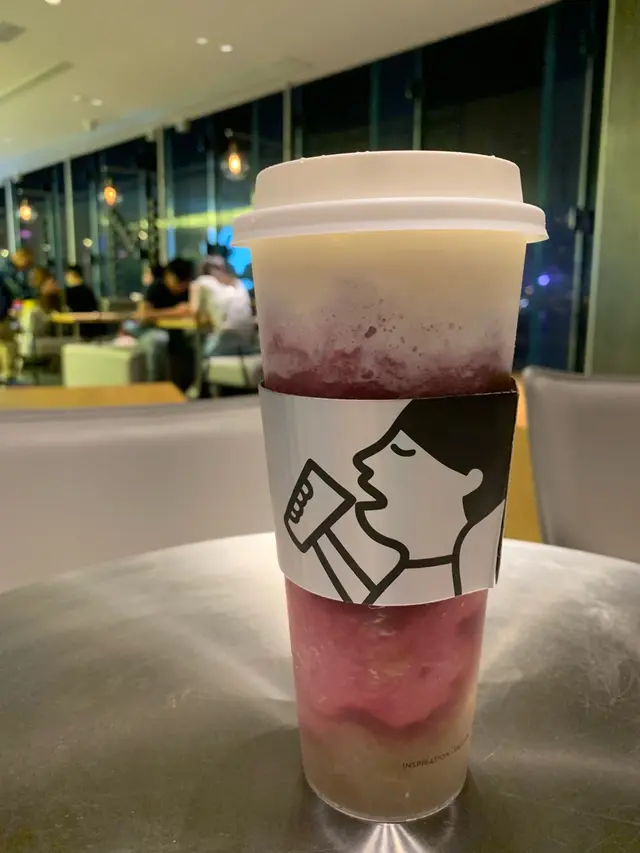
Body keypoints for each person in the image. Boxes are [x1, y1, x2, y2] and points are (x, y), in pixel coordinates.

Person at [283, 392, 516, 605]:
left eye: (402, 450)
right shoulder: (423, 571)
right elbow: (366, 597)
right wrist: (322, 533)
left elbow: (368, 600)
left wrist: (321, 532)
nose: (365, 460)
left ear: (470, 480)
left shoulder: (435, 574)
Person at [134, 257, 195, 386]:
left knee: (193, 340)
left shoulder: (190, 290)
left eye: (184, 283)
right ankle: (157, 385)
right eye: (178, 282)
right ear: (168, 275)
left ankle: (190, 385)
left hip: (178, 330)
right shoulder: (156, 287)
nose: (181, 287)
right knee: (159, 340)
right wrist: (175, 312)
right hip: (151, 330)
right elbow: (143, 315)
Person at [195, 257, 256, 356]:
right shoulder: (239, 283)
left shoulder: (203, 281)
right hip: (247, 345)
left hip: (223, 343)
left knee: (200, 351)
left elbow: (196, 313)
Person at [64, 264, 105, 339]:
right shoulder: (88, 291)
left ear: (72, 275)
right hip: (91, 327)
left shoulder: (68, 292)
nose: (66, 278)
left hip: (74, 328)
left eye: (67, 275)